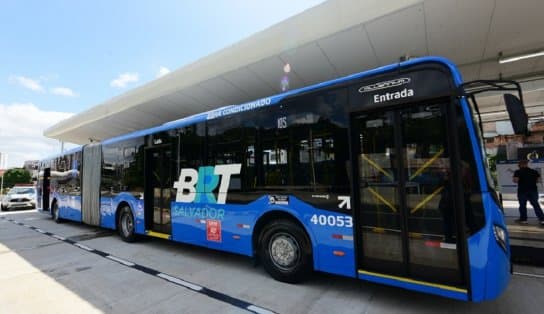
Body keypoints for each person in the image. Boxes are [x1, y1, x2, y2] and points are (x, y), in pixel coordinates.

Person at [513, 160, 544, 225]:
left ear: (521, 165)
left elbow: (515, 180)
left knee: (522, 205)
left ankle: (524, 220)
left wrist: (515, 178)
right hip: (533, 190)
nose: (518, 166)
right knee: (536, 205)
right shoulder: (534, 171)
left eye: (519, 165)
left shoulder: (518, 172)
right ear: (527, 164)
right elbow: (538, 180)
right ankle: (542, 219)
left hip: (522, 191)